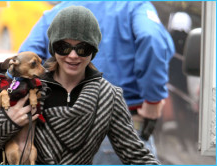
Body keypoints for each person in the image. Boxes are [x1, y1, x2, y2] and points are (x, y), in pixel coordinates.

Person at [0, 6, 160, 165]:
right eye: (63, 47)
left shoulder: (108, 96)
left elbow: (136, 155)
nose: (73, 55)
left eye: (83, 49)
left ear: (93, 51)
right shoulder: (27, 86)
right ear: (52, 48)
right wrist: (9, 121)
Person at [18, 1, 175, 164]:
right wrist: (153, 98)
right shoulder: (135, 6)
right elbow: (151, 38)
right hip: (121, 129)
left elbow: (24, 61)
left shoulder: (56, 13)